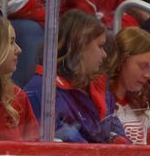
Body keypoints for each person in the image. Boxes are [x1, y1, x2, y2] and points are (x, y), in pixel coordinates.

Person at [24, 10, 127, 143]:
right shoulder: (42, 90)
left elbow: (114, 130)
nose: (104, 55)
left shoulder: (97, 86)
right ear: (79, 45)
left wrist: (118, 142)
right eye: (100, 46)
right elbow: (69, 148)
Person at [108, 27, 150, 145]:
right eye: (142, 66)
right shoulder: (100, 104)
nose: (148, 75)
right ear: (121, 60)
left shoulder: (142, 109)